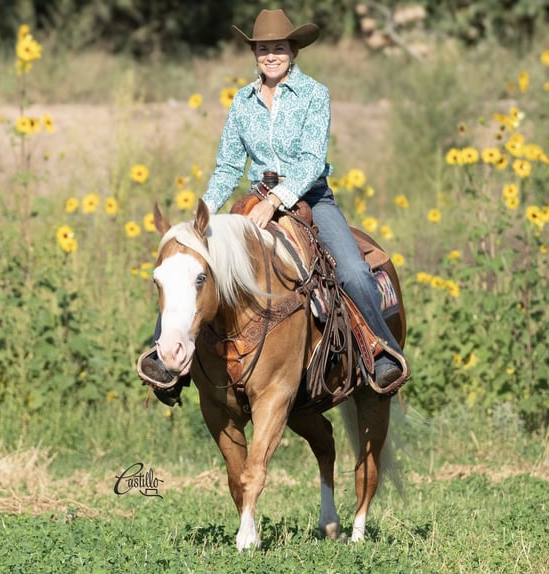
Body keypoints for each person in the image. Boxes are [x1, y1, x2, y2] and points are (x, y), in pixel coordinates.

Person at [139, 8, 407, 405]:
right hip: (253, 200)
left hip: (311, 198)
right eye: (263, 49)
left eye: (278, 48)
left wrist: (279, 199)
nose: (271, 55)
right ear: (255, 54)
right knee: (189, 261)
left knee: (351, 268)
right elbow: (230, 164)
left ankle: (379, 352)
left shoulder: (315, 94)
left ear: (293, 51)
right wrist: (206, 213)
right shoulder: (243, 101)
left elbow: (313, 159)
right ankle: (164, 355)